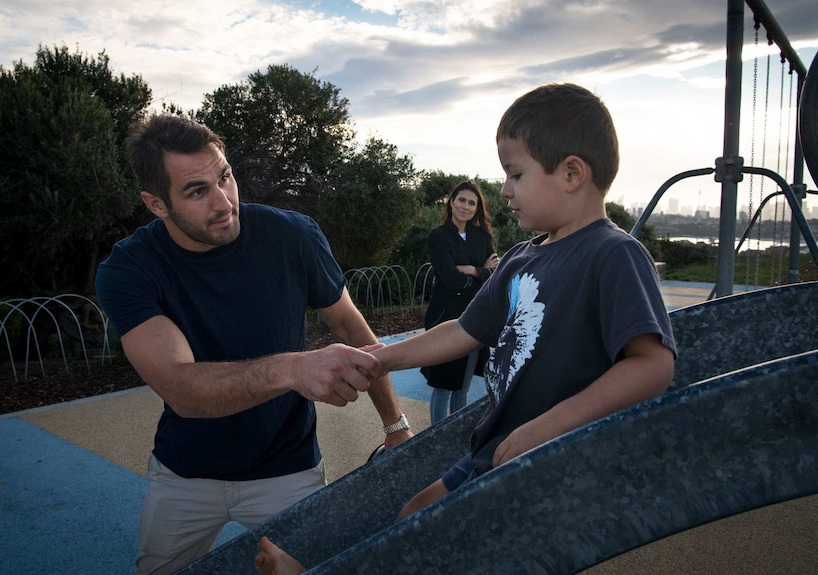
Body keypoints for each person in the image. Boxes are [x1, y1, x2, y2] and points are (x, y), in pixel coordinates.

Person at [253, 82, 677, 575]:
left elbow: (653, 364)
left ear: (571, 173)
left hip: (549, 462)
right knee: (415, 514)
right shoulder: (521, 259)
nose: (504, 191)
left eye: (515, 174)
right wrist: (382, 357)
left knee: (446, 546)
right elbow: (462, 330)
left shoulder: (612, 254)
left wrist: (549, 426)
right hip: (494, 450)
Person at [94, 114, 413, 575]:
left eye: (225, 176)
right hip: (186, 471)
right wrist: (293, 368)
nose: (224, 202)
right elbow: (181, 389)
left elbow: (351, 327)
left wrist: (395, 423)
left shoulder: (292, 236)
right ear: (156, 204)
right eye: (197, 191)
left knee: (311, 568)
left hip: (288, 466)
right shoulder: (129, 269)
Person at [422, 180, 499, 424]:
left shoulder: (481, 237)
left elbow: (494, 274)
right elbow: (451, 279)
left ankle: (455, 437)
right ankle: (435, 438)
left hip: (475, 317)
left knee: (462, 387)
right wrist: (480, 271)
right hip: (445, 317)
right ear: (451, 202)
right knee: (443, 385)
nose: (466, 206)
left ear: (477, 208)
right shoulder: (439, 236)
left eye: (472, 203)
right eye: (461, 200)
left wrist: (471, 270)